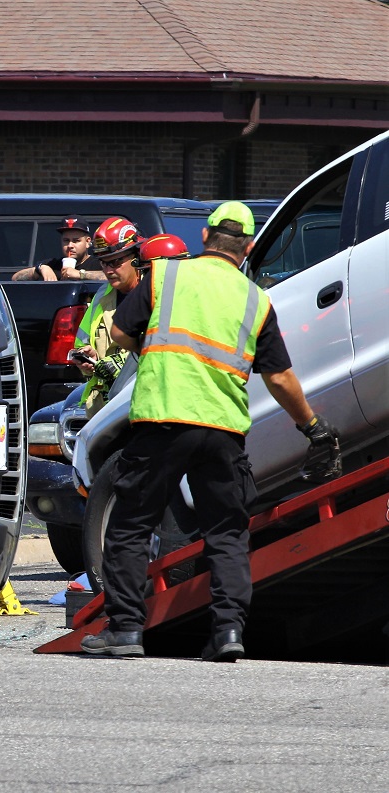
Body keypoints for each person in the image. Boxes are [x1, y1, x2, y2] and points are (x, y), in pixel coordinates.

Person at [81, 201, 340, 663]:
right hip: (221, 429)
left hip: (162, 419)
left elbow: (120, 333)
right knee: (227, 532)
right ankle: (227, 634)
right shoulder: (256, 300)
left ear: (204, 238)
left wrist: (155, 345)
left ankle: (124, 631)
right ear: (250, 247)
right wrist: (313, 427)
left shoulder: (165, 276)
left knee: (131, 525)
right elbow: (280, 379)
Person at [70, 217, 145, 417]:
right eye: (104, 263)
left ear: (136, 257)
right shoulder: (102, 297)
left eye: (116, 262)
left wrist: (123, 363)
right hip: (104, 410)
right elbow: (82, 342)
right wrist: (88, 359)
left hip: (142, 404)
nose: (109, 270)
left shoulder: (156, 293)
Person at [11, 217, 105, 281]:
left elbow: (112, 277)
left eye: (76, 241)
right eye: (66, 240)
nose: (70, 245)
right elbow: (15, 278)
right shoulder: (54, 264)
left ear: (88, 242)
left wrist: (80, 274)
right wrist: (40, 268)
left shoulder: (99, 263)